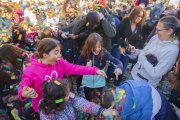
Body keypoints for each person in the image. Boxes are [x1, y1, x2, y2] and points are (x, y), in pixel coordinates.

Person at [18, 38, 107, 114]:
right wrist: (23, 93)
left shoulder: (60, 62)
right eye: (56, 53)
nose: (60, 55)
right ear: (45, 55)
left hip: (60, 103)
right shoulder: (31, 70)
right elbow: (22, 88)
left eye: (60, 52)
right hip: (44, 109)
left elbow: (75, 68)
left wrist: (94, 70)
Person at [130, 16, 180, 88]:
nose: (156, 32)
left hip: (144, 85)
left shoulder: (172, 50)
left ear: (169, 31)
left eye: (159, 30)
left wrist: (141, 57)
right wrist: (136, 51)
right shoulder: (155, 38)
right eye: (156, 29)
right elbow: (144, 52)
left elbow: (155, 73)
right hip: (134, 74)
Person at [39, 79, 116, 120]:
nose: (70, 94)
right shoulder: (47, 113)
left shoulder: (68, 99)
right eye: (67, 94)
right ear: (59, 99)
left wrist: (102, 111)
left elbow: (85, 105)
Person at [78, 33, 123, 101]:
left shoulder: (104, 54)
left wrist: (119, 68)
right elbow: (77, 66)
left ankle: (100, 104)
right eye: (94, 47)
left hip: (99, 81)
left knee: (100, 96)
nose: (96, 49)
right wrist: (85, 68)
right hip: (88, 81)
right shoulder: (84, 54)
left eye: (99, 46)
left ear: (101, 45)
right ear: (89, 45)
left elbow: (117, 62)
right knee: (88, 96)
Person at [102, 80, 177, 120]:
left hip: (157, 108)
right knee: (169, 111)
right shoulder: (125, 87)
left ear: (113, 108)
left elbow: (146, 117)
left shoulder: (132, 114)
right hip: (154, 93)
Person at [112, 6, 146, 85]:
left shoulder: (139, 26)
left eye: (142, 16)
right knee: (116, 64)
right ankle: (110, 78)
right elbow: (117, 35)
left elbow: (138, 40)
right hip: (119, 46)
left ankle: (117, 81)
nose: (140, 18)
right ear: (134, 14)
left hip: (128, 49)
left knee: (123, 66)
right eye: (139, 16)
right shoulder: (126, 21)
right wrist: (120, 47)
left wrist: (133, 47)